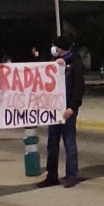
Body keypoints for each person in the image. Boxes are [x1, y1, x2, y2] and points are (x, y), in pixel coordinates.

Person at [38, 35, 85, 189]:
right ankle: (51, 176)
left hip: (67, 110)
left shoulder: (76, 64)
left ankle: (72, 176)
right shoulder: (54, 63)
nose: (52, 48)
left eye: (54, 46)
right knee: (52, 144)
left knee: (69, 143)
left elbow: (79, 87)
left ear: (60, 47)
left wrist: (72, 107)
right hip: (54, 110)